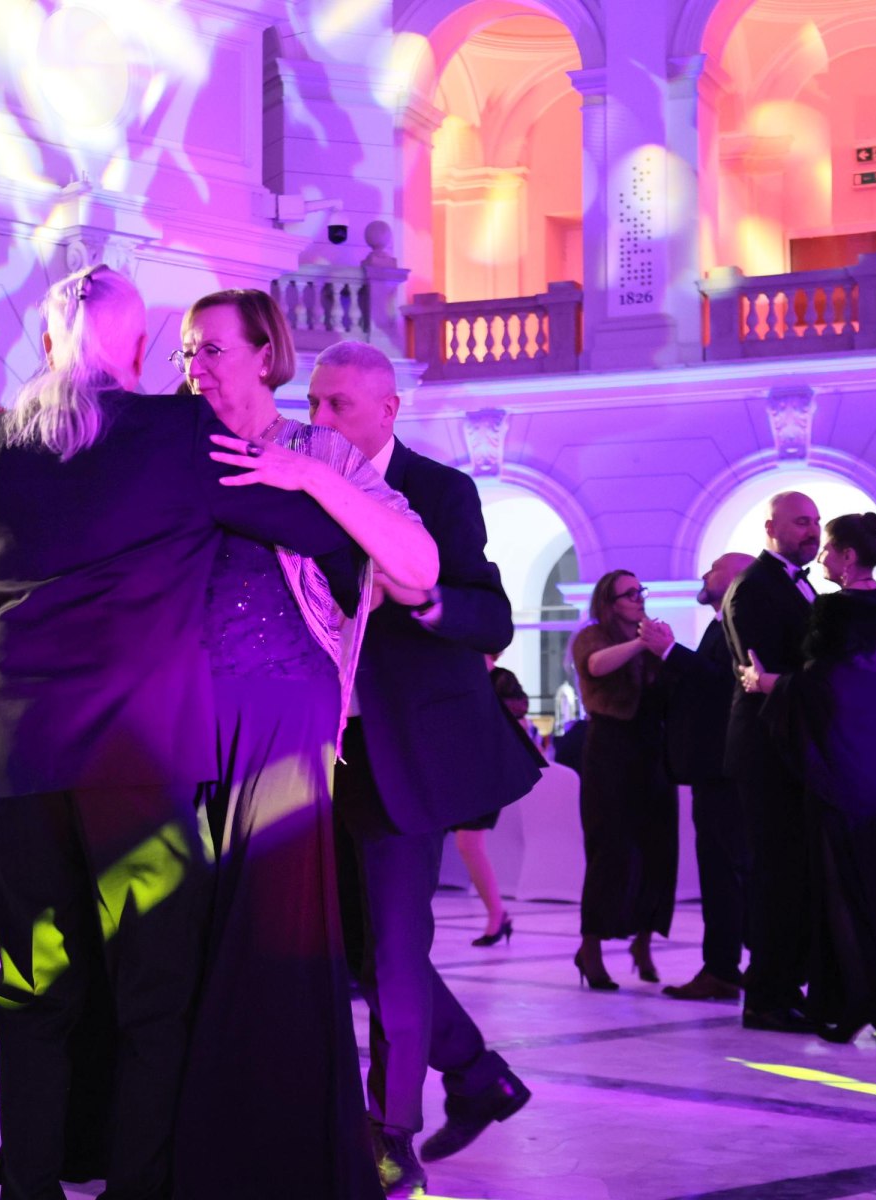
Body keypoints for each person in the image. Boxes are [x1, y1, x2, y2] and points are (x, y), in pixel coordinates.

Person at [0, 264, 360, 1200]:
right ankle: (137, 1190)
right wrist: (313, 476)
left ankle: (29, 1188)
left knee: (33, 991)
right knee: (155, 999)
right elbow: (315, 534)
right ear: (141, 349)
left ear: (45, 344)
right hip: (143, 766)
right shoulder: (175, 434)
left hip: (22, 765)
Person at [172, 291, 437, 1200]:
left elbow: (417, 566)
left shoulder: (320, 452)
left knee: (275, 942)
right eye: (186, 350)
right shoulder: (171, 441)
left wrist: (307, 478)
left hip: (285, 723)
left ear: (264, 354)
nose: (196, 366)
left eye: (212, 348)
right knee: (180, 942)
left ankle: (283, 1151)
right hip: (176, 723)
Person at [308, 339, 542, 1195]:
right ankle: (478, 1074)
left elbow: (490, 616)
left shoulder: (440, 491)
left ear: (387, 409)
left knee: (396, 949)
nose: (320, 418)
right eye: (314, 402)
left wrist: (423, 598)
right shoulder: (302, 486)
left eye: (338, 405)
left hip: (407, 751)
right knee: (358, 950)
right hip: (321, 753)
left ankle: (392, 1136)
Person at [740, 512, 876, 1044]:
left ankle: (853, 1004)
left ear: (848, 556)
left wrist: (765, 682)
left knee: (839, 886)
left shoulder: (835, 611)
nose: (820, 556)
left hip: (842, 769)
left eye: (827, 548)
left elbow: (823, 687)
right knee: (874, 887)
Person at [722, 490, 821, 1034]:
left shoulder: (798, 583)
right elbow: (762, 671)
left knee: (794, 874)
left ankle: (786, 987)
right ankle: (765, 997)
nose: (812, 531)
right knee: (774, 875)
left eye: (816, 522)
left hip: (791, 747)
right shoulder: (754, 586)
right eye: (801, 522)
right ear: (771, 528)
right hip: (766, 748)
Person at [569, 570, 678, 990]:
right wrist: (641, 643)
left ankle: (644, 942)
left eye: (640, 590)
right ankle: (591, 948)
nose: (638, 598)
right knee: (609, 849)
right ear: (609, 603)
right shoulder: (592, 636)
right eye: (629, 593)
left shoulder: (652, 638)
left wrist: (662, 649)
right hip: (610, 750)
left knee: (658, 849)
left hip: (652, 747)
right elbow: (596, 666)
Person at [660, 552, 757, 1003]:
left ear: (735, 579)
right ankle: (726, 966)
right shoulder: (720, 625)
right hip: (715, 768)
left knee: (728, 870)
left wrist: (669, 652)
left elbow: (723, 685)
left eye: (714, 567)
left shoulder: (739, 625)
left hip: (726, 769)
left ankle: (727, 968)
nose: (704, 573)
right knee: (722, 871)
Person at [457, 658, 531, 947]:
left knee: (468, 843)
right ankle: (497, 915)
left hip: (484, 770)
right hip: (461, 768)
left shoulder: (501, 679)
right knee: (466, 844)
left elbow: (518, 718)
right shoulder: (461, 672)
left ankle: (497, 915)